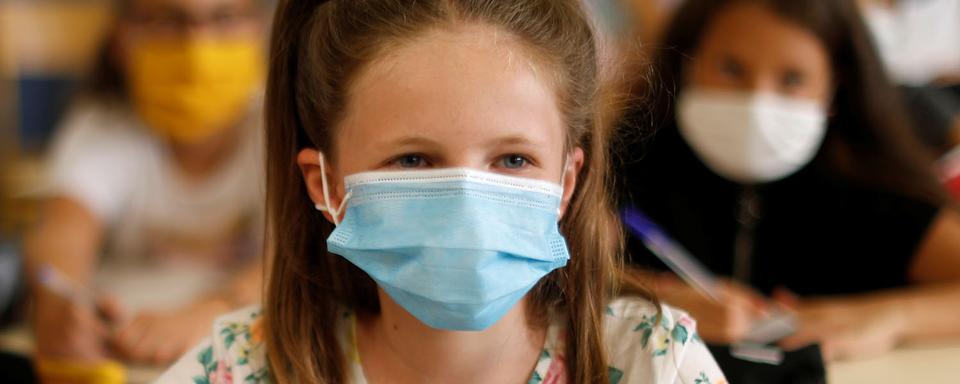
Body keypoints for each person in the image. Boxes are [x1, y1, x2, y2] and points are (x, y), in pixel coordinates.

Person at [159, 0, 727, 383]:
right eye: (413, 159)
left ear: (566, 182)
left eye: (513, 159)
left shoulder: (654, 363)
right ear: (324, 184)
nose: (468, 207)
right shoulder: (235, 369)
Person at [617, 0, 960, 362]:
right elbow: (567, 269)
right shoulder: (629, 163)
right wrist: (655, 294)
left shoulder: (874, 184)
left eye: (792, 79)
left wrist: (889, 318)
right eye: (731, 69)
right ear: (685, 63)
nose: (757, 101)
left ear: (836, 86)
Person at [23, 0, 268, 365]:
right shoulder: (104, 127)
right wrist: (60, 301)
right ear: (123, 37)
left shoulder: (279, 126)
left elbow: (299, 257)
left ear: (263, 28)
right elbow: (63, 232)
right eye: (168, 21)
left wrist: (218, 309)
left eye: (225, 18)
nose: (197, 46)